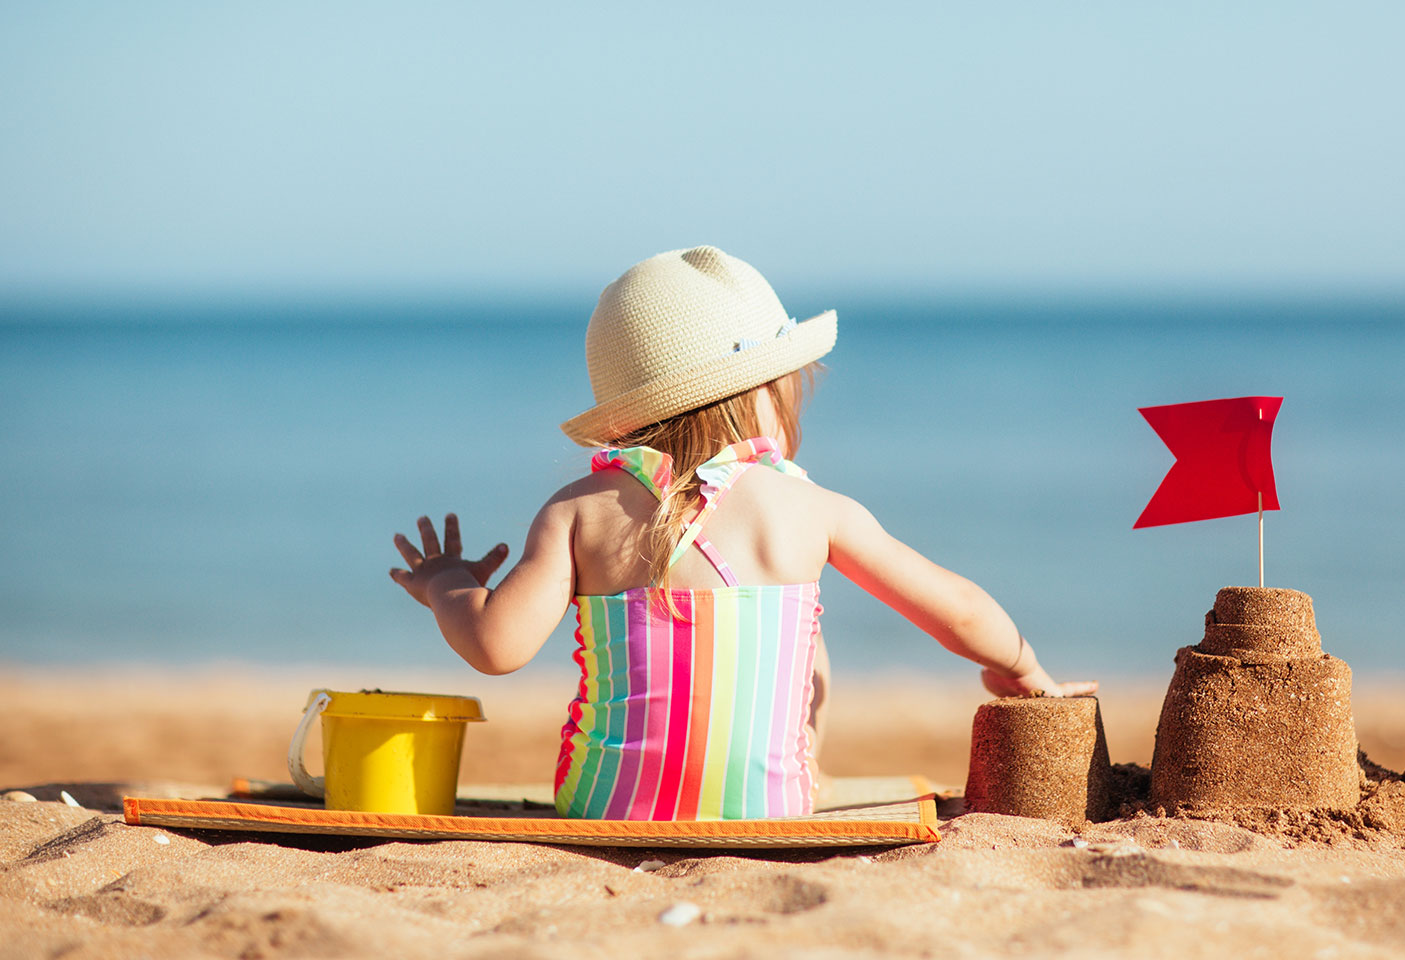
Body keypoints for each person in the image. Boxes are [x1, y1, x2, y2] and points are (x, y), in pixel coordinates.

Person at [389, 246, 1095, 820]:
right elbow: (961, 611)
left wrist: (448, 583)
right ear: (763, 392)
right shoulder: (808, 507)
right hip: (772, 809)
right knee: (807, 643)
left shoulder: (578, 510)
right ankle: (793, 771)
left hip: (607, 807)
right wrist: (1023, 671)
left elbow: (494, 645)